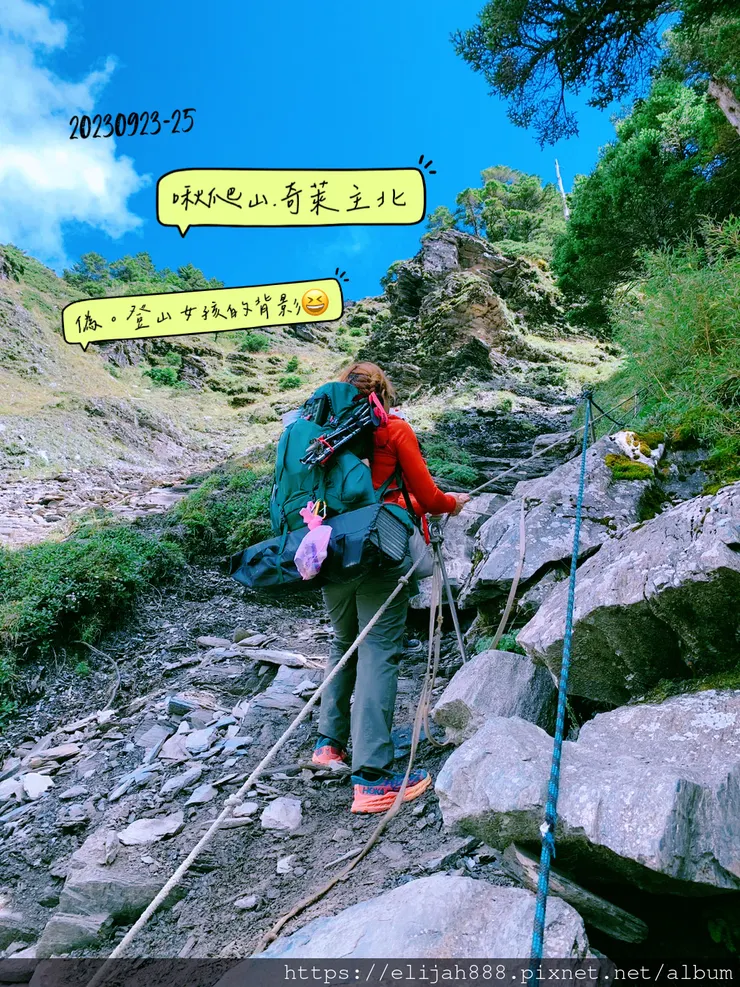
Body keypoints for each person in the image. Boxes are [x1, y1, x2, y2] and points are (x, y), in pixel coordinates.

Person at [312, 361, 471, 813]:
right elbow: (430, 494)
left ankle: (329, 745)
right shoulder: (394, 431)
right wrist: (452, 505)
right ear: (385, 392)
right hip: (379, 549)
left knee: (344, 641)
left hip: (329, 550)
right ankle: (371, 779)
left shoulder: (322, 434)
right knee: (379, 650)